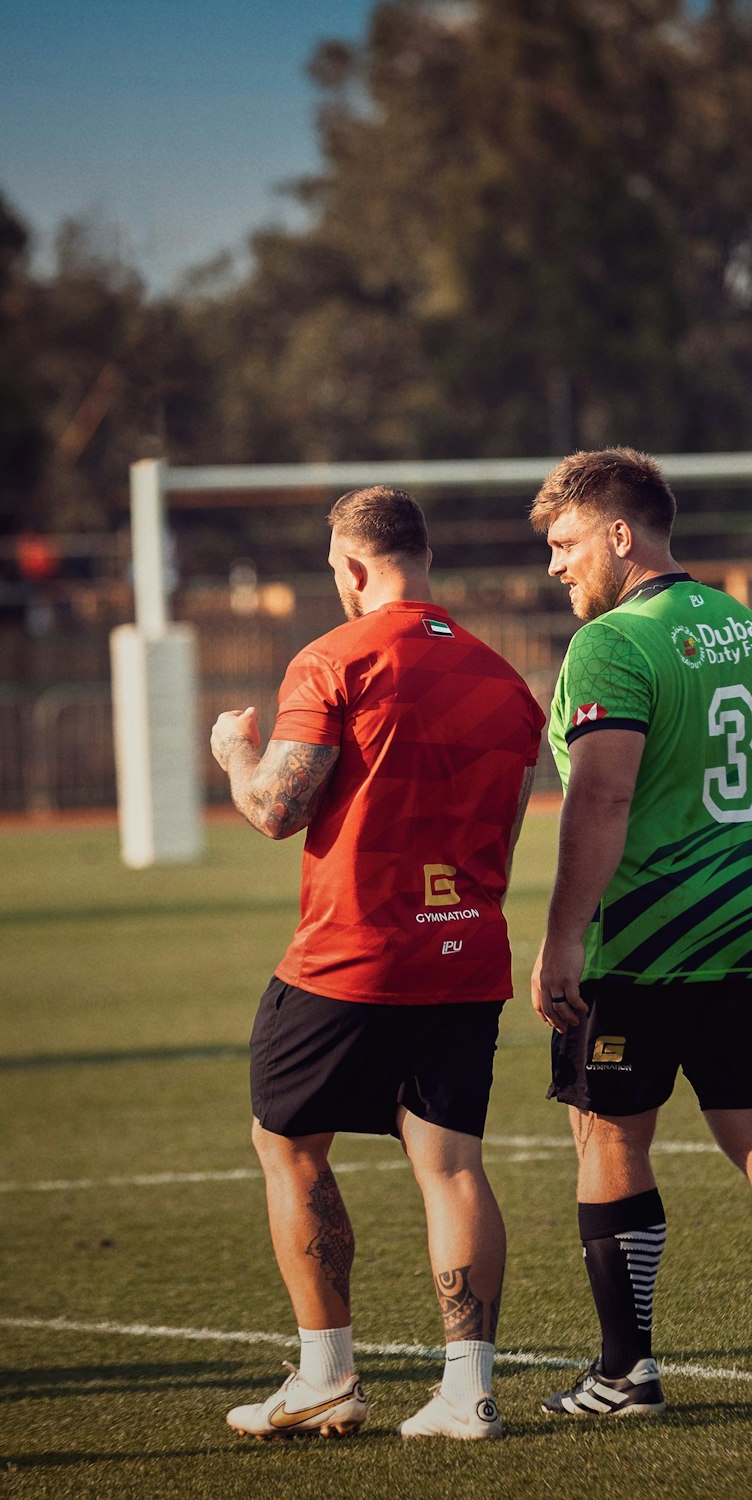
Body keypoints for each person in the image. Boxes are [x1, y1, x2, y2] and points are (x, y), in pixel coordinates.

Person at [528, 447, 752, 1418]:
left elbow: (601, 798)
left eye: (566, 544)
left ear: (621, 534)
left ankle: (625, 1372)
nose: (556, 566)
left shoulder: (611, 644)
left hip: (642, 949)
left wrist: (562, 938)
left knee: (608, 1134)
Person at [211, 486, 544, 1442]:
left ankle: (327, 1376)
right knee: (453, 1167)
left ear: (353, 567)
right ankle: (469, 1393)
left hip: (351, 955)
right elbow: (506, 839)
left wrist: (234, 753)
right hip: (465, 951)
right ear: (424, 557)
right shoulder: (505, 681)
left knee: (287, 1144)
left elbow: (276, 809)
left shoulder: (334, 658)